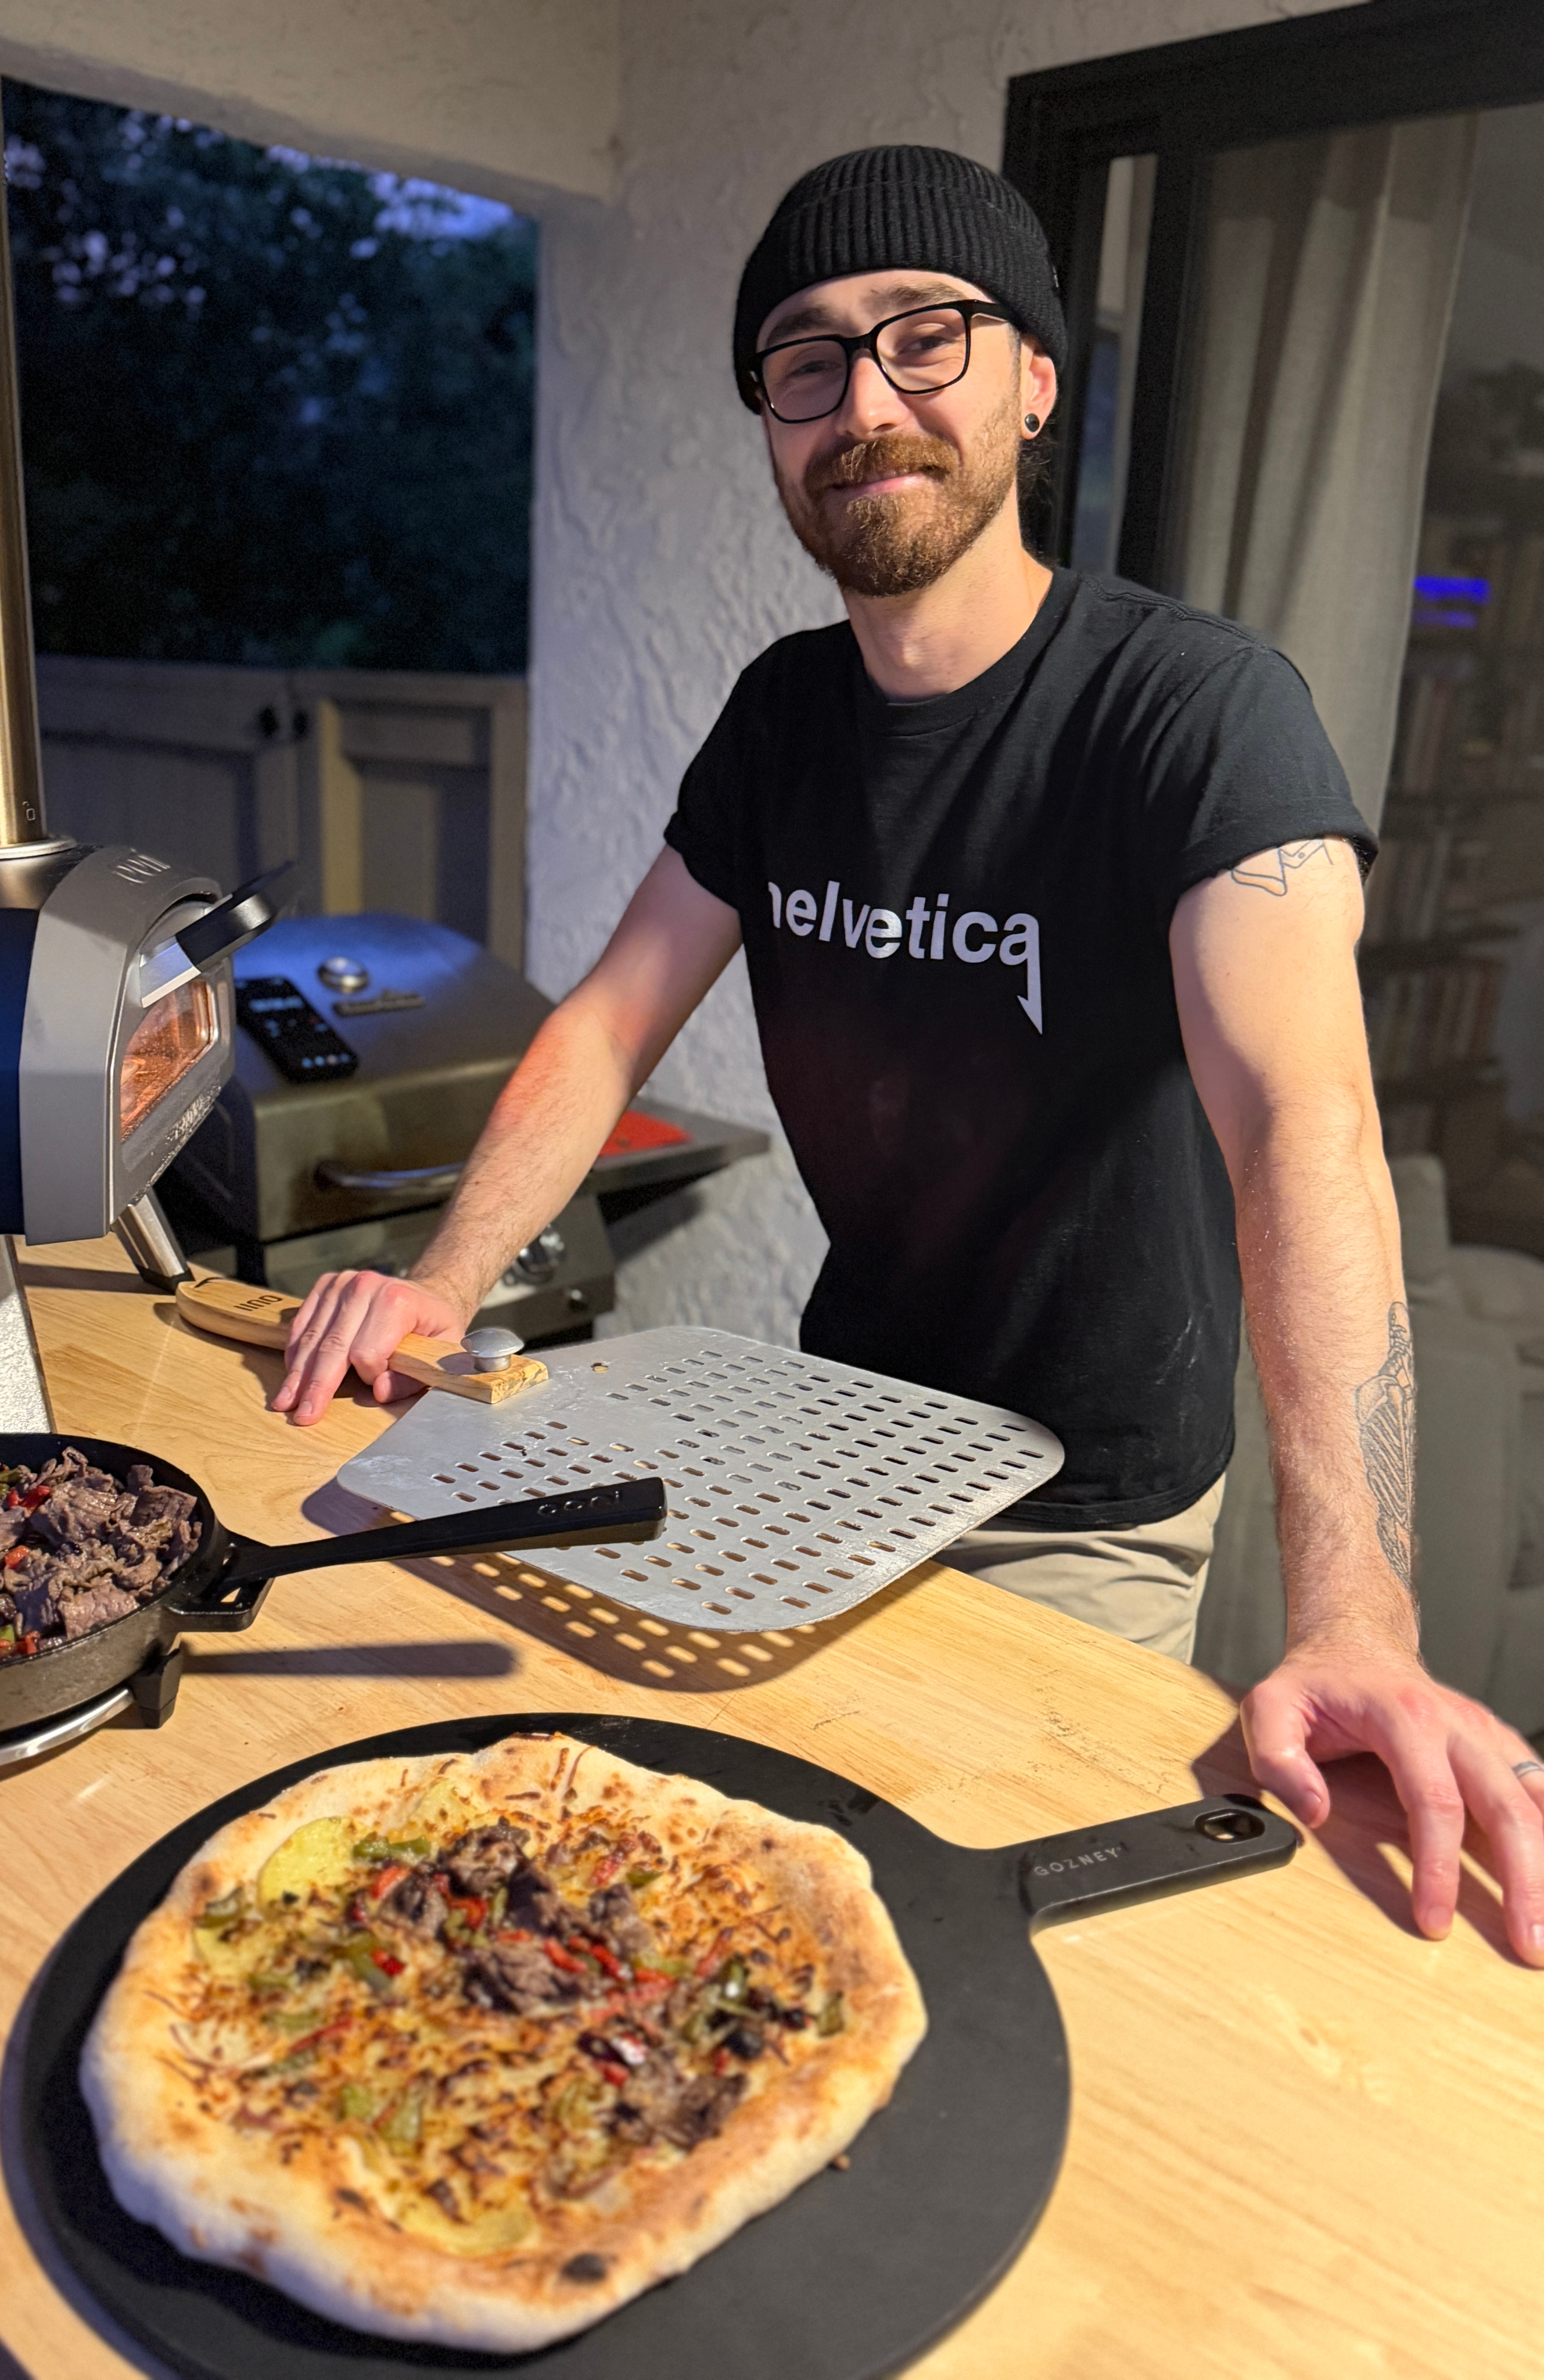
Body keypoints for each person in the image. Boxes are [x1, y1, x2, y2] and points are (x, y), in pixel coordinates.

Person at [275, 145, 1544, 1963]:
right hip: (839, 1435)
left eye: (922, 338)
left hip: (1082, 1497)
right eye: (805, 360)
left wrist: (1357, 1611)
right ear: (774, 424)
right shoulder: (784, 716)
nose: (864, 402)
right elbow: (613, 1015)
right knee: (744, 1908)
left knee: (1005, 1953)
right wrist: (439, 1284)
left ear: (1032, 382)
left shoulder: (1194, 707)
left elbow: (1305, 1128)